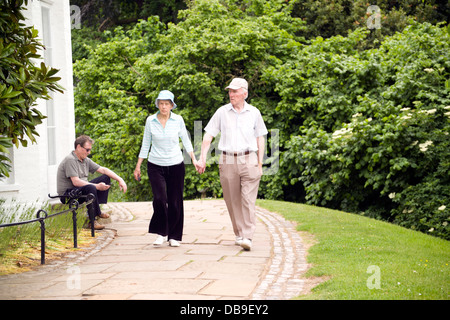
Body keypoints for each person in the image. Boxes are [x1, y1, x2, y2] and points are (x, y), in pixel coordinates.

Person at [197, 78, 268, 251]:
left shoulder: (254, 112)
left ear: (245, 93)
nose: (231, 94)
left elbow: (261, 138)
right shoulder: (222, 112)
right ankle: (239, 233)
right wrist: (202, 157)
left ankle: (248, 236)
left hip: (249, 158)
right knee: (232, 200)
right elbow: (208, 135)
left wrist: (260, 163)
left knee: (248, 199)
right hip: (227, 159)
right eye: (230, 91)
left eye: (235, 91)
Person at [134, 90, 198, 247]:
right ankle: (161, 233)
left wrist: (194, 159)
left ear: (171, 105)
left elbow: (186, 140)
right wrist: (138, 165)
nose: (163, 106)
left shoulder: (178, 120)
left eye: (166, 104)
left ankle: (174, 236)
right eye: (161, 103)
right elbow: (145, 143)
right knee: (160, 199)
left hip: (176, 164)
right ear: (158, 104)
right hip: (155, 164)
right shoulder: (151, 120)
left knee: (175, 201)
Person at [57, 135, 128, 230]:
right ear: (78, 147)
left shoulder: (85, 160)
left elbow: (103, 170)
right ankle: (93, 220)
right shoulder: (70, 160)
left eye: (89, 150)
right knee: (91, 187)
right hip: (67, 195)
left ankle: (97, 210)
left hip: (79, 190)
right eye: (87, 150)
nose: (89, 152)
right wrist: (97, 186)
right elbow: (76, 182)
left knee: (105, 178)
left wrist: (120, 179)